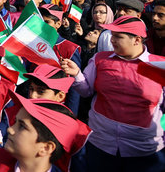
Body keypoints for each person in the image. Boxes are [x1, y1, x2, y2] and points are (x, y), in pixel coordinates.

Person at [61, 16, 165, 172]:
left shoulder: (159, 66)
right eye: (112, 35)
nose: (112, 40)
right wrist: (76, 74)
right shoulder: (100, 59)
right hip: (101, 143)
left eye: (118, 37)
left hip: (144, 148)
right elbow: (86, 91)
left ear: (136, 40)